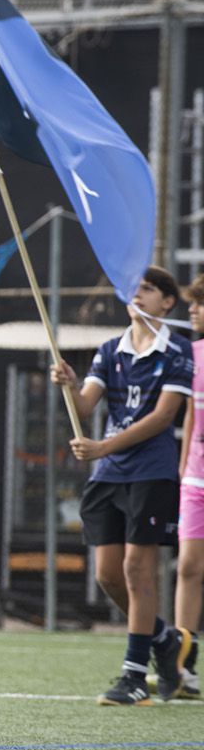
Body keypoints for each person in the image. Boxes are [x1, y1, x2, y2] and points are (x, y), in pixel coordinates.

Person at [52, 265, 192, 705]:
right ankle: (166, 640)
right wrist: (70, 385)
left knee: (136, 568)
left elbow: (163, 417)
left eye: (148, 290)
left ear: (167, 302)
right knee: (108, 574)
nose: (139, 295)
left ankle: (133, 675)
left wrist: (104, 446)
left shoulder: (177, 351)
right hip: (109, 474)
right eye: (135, 289)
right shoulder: (110, 349)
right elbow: (85, 405)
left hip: (149, 471)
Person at [174, 274, 204, 699]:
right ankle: (183, 666)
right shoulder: (192, 354)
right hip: (196, 478)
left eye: (199, 303)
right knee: (188, 567)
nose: (192, 310)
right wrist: (182, 469)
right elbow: (190, 415)